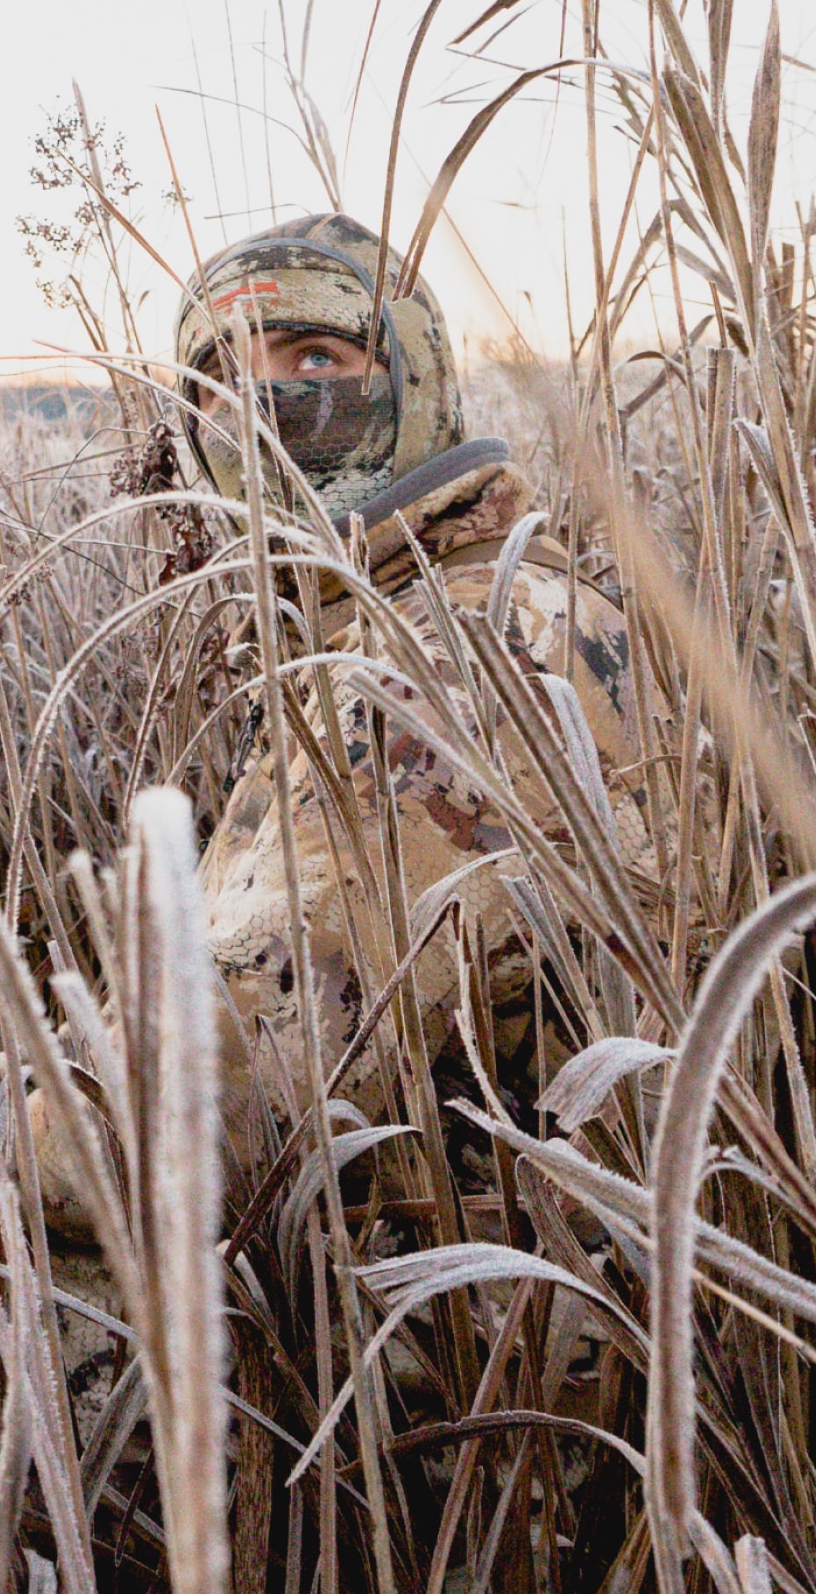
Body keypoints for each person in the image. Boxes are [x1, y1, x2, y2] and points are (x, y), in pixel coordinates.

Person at [172, 209, 662, 1186]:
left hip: (484, 1307)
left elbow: (234, 1078)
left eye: (316, 359)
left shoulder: (449, 652)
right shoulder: (413, 605)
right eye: (221, 378)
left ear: (418, 378)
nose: (266, 404)